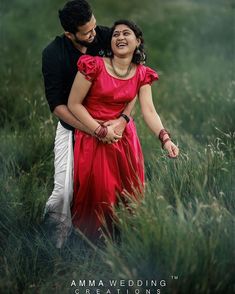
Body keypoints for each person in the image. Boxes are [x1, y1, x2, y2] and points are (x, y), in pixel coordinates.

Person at [68, 20, 179, 242]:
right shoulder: (94, 65)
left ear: (137, 41)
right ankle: (90, 244)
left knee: (129, 192)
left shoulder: (142, 73)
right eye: (115, 34)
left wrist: (165, 139)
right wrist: (99, 130)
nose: (120, 37)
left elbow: (149, 111)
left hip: (125, 139)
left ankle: (125, 240)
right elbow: (74, 104)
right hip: (94, 135)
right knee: (101, 192)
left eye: (126, 33)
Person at [41, 0, 134, 248]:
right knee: (63, 192)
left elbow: (135, 76)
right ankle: (55, 248)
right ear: (69, 33)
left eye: (94, 27)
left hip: (113, 126)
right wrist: (94, 129)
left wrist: (122, 120)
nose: (94, 35)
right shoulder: (53, 53)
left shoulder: (105, 36)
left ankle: (115, 240)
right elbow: (58, 105)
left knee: (116, 189)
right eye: (87, 32)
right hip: (73, 127)